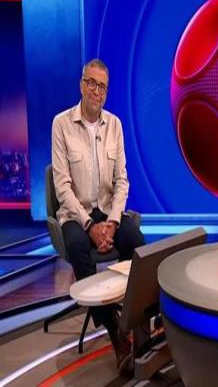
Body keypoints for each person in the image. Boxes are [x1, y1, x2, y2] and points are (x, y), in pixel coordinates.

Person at [51, 58, 145, 373]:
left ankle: (136, 319)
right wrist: (90, 225)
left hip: (107, 212)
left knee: (138, 242)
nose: (96, 91)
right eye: (91, 83)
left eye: (102, 86)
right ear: (81, 85)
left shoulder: (115, 125)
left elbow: (122, 181)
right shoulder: (61, 124)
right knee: (79, 247)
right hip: (76, 214)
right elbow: (62, 187)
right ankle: (114, 330)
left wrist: (113, 222)